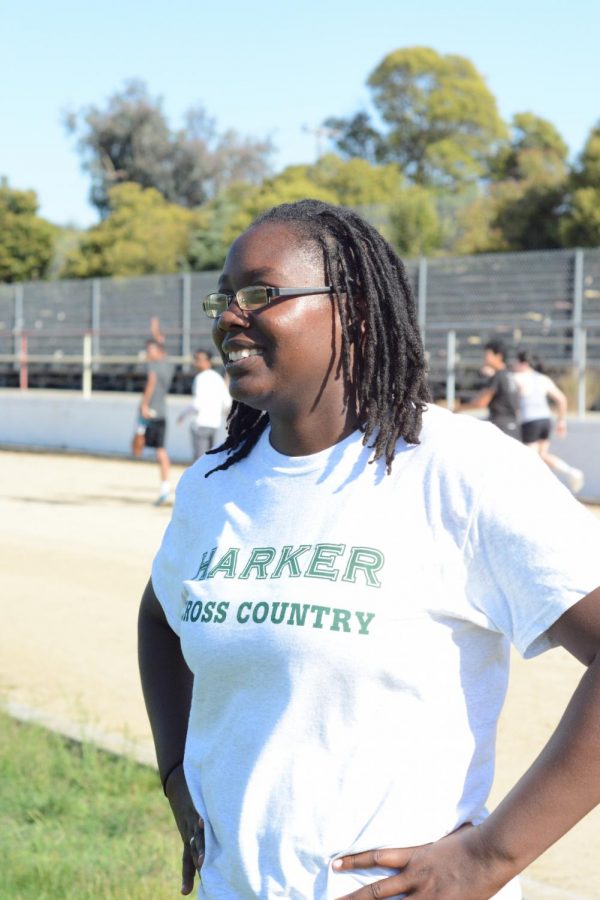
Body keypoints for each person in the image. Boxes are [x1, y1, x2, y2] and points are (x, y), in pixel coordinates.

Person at [138, 200, 600, 900]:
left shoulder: (457, 468)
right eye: (224, 297)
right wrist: (176, 774)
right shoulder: (212, 486)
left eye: (261, 293)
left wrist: (488, 858)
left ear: (352, 312)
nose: (230, 316)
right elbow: (160, 618)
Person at [514, 350, 584, 493]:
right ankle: (571, 472)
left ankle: (535, 490)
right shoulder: (543, 379)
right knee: (542, 456)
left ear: (523, 364)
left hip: (530, 420)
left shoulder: (518, 377)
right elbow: (561, 399)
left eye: (516, 362)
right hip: (546, 420)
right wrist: (561, 421)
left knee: (530, 458)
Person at [177, 349, 231, 462]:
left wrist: (183, 414)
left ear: (208, 361)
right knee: (209, 461)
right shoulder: (218, 378)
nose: (196, 363)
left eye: (198, 360)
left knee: (199, 462)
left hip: (200, 424)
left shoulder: (200, 378)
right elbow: (227, 402)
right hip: (214, 424)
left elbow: (197, 404)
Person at [459, 340, 521, 438]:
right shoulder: (509, 375)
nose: (485, 358)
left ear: (498, 356)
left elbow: (481, 403)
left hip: (501, 426)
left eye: (488, 354)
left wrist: (458, 408)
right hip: (513, 425)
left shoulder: (498, 376)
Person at [140, 336, 175, 505]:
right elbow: (162, 343)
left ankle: (165, 488)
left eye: (149, 350)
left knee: (159, 450)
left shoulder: (153, 366)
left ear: (157, 350)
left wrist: (144, 405)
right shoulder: (168, 364)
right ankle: (165, 487)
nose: (147, 353)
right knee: (159, 449)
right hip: (162, 412)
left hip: (153, 412)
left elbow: (150, 384)